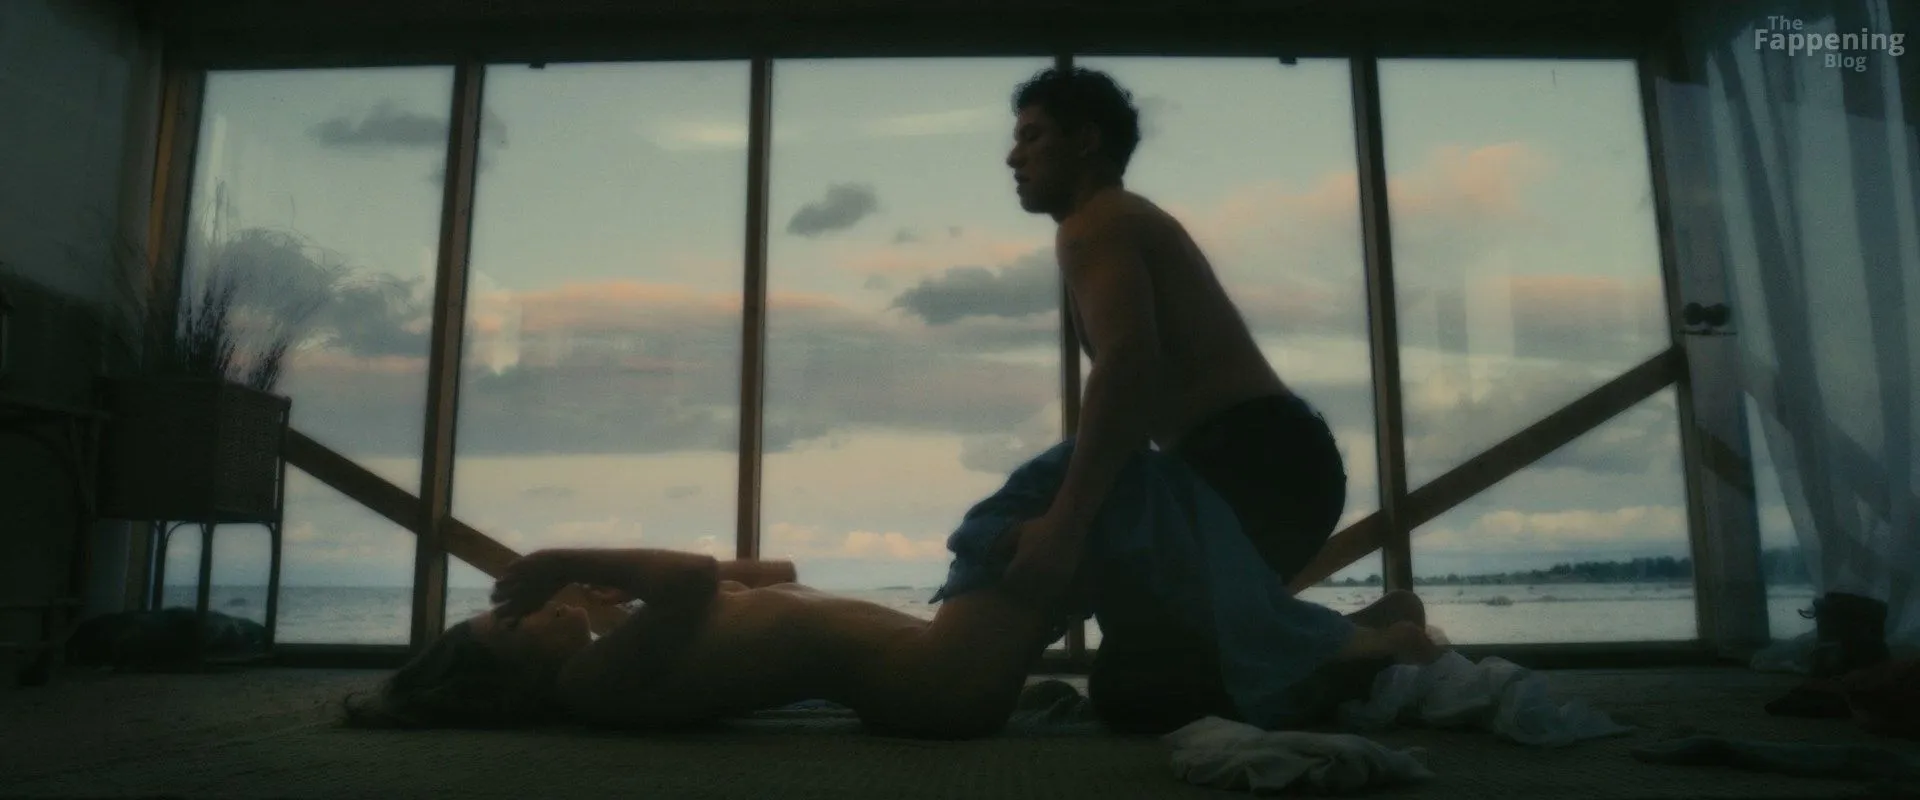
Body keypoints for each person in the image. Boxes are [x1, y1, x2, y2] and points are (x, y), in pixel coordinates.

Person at [997, 66, 1366, 733]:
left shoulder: (1095, 223)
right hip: (1269, 461)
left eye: (1032, 136)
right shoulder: (1121, 220)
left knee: (1139, 696)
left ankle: (1371, 651)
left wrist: (1065, 525)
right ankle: (1370, 631)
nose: (1013, 157)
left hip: (1253, 468)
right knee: (1155, 670)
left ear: (1086, 141)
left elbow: (1127, 366)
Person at [340, 547, 1436, 738]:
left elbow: (765, 570)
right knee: (1057, 506)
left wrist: (602, 580)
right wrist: (566, 555)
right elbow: (688, 575)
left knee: (1094, 546)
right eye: (514, 620)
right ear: (506, 680)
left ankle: (1338, 647)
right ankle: (1337, 647)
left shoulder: (637, 642)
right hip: (933, 686)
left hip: (934, 668)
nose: (540, 606)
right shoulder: (594, 686)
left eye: (524, 597)